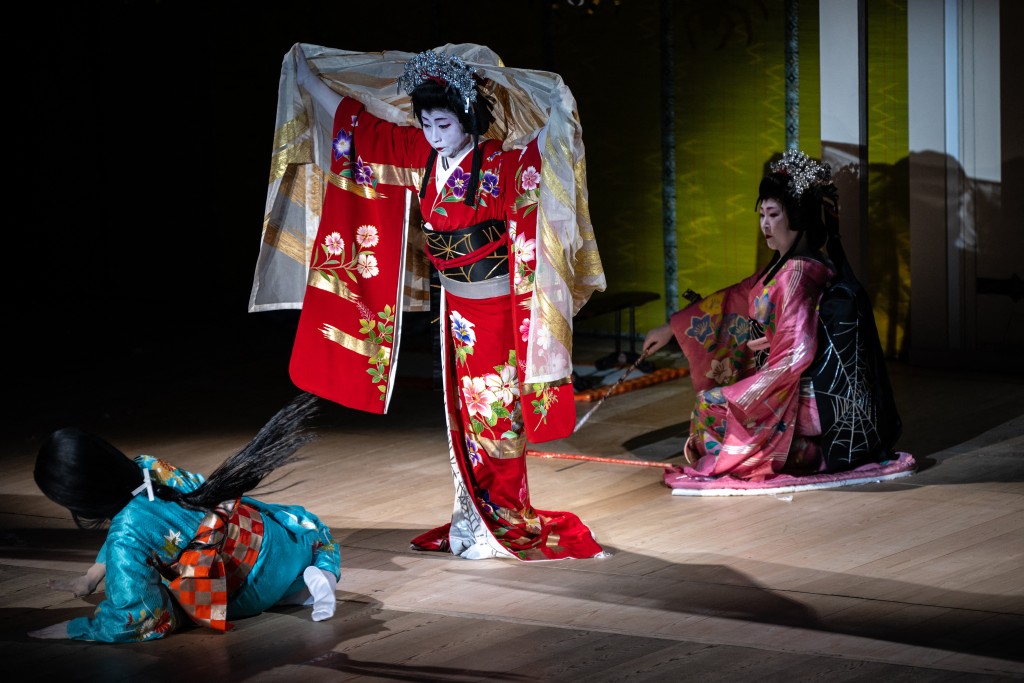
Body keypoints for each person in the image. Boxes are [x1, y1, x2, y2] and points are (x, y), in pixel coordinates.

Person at [249, 44, 607, 561]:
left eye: (443, 124)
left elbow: (550, 148)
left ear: (467, 119)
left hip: (497, 314)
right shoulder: (421, 155)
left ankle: (504, 518)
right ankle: (474, 513)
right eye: (427, 124)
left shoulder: (501, 165)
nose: (434, 135)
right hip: (456, 313)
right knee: (462, 419)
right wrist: (309, 79)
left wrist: (556, 102)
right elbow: (361, 129)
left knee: (497, 417)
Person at [643, 150, 900, 481]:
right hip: (812, 392)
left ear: (798, 217)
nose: (765, 223)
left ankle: (778, 455)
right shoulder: (795, 265)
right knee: (722, 400)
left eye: (774, 214)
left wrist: (747, 391)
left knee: (709, 406)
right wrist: (671, 328)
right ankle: (798, 451)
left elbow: (797, 352)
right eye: (762, 214)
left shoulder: (795, 275)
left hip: (810, 396)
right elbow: (736, 297)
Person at [28, 393, 341, 642]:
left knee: (176, 595)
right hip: (272, 537)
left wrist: (78, 629)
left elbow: (137, 618)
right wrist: (93, 576)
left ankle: (299, 591)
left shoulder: (127, 537)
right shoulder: (151, 468)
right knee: (309, 531)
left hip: (249, 588)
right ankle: (318, 574)